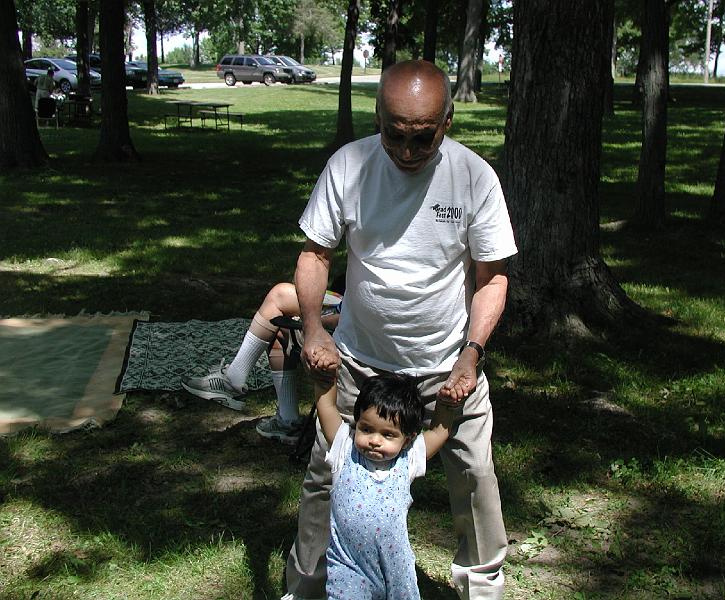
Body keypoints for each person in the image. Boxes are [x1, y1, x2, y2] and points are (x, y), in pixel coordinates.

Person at [283, 60, 518, 600]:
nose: (408, 151)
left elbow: (493, 278)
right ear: (378, 117)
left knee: (475, 481)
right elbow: (316, 254)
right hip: (360, 363)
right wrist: (315, 329)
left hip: (446, 365)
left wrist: (472, 353)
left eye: (423, 138)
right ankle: (309, 587)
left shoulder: (475, 178)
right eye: (396, 135)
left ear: (448, 121)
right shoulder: (349, 166)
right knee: (326, 478)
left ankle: (481, 589)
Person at [315, 373, 454, 599]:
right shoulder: (344, 450)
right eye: (366, 429)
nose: (375, 440)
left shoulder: (407, 460)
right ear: (356, 423)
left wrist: (448, 405)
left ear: (407, 439)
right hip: (349, 566)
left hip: (396, 569)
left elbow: (439, 431)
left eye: (388, 434)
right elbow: (327, 407)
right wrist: (325, 379)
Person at [180, 281, 342, 443]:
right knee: (275, 322)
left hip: (341, 337)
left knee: (278, 296)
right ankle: (287, 421)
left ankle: (233, 380)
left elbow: (350, 319)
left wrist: (313, 323)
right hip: (343, 314)